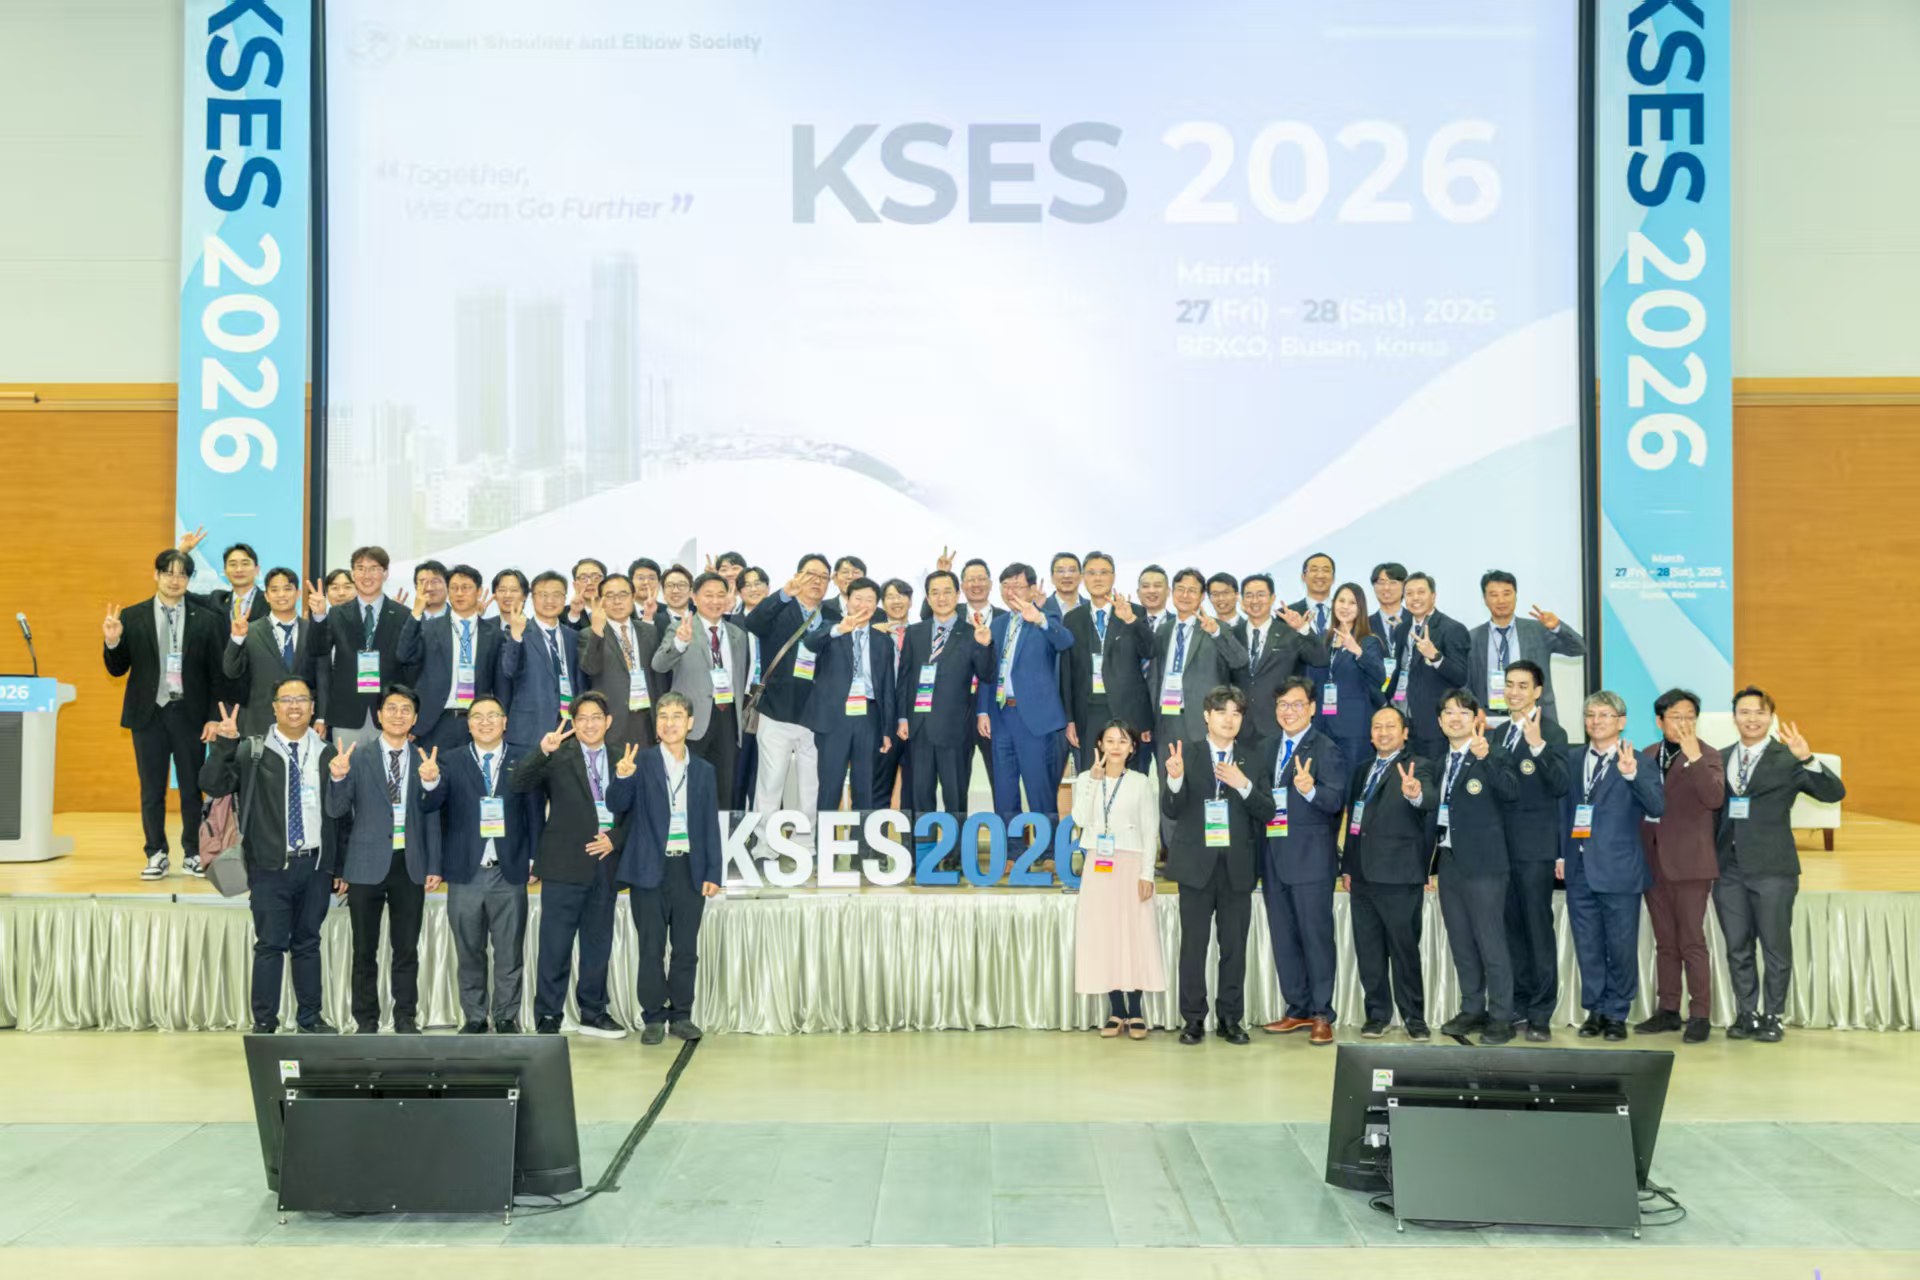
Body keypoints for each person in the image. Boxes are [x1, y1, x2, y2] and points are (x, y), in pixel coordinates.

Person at [200, 679, 339, 1034]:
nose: (294, 706)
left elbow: (340, 814)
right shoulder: (252, 750)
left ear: (313, 707)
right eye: (286, 699)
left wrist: (337, 866)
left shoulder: (327, 753)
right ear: (274, 707)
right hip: (268, 866)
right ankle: (264, 1021)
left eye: (302, 699)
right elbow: (213, 784)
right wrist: (224, 744)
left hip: (315, 865)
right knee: (270, 945)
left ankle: (310, 1018)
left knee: (308, 943)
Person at [1714, 688, 1844, 1043]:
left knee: (1775, 946)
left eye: (1759, 712)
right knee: (1737, 946)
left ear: (1771, 717)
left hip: (1773, 868)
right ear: (1734, 717)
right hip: (1729, 869)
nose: (1752, 718)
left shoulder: (1788, 758)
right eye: (1744, 712)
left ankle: (1773, 1015)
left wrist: (1808, 759)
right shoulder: (1720, 758)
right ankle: (1747, 1013)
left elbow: (1833, 794)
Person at [511, 691, 630, 1038]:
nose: (589, 724)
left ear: (608, 721)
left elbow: (640, 809)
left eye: (596, 718)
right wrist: (541, 751)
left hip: (606, 864)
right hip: (563, 864)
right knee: (555, 944)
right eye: (582, 719)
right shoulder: (557, 755)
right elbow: (518, 783)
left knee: (597, 944)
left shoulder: (624, 757)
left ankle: (594, 1011)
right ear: (573, 724)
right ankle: (549, 1014)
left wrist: (616, 838)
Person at [323, 685, 441, 1033]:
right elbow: (337, 810)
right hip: (364, 865)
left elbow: (432, 815)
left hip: (410, 864)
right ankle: (366, 1020)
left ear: (415, 718)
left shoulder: (425, 760)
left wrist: (434, 864)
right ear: (378, 715)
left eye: (406, 709)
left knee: (406, 950)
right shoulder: (358, 757)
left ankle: (405, 1017)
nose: (398, 715)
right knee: (364, 951)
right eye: (391, 708)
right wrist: (337, 777)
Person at [103, 548, 225, 879]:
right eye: (168, 573)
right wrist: (113, 642)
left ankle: (193, 852)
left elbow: (216, 675)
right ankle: (156, 852)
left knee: (191, 789)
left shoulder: (207, 619)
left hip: (190, 715)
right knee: (151, 789)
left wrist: (213, 716)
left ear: (188, 580)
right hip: (148, 715)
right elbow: (118, 669)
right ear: (156, 575)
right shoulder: (132, 616)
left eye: (182, 574)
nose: (175, 580)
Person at [610, 692, 723, 1043]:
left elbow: (710, 825)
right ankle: (654, 1017)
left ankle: (682, 1015)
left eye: (677, 716)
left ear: (690, 723)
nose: (669, 723)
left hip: (690, 869)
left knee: (686, 949)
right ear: (656, 723)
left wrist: (713, 872)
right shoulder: (639, 762)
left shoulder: (704, 771)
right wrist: (623, 778)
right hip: (648, 870)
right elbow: (616, 805)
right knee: (651, 949)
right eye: (663, 716)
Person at [1161, 686, 1272, 1045]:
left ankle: (1230, 1019)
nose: (1229, 719)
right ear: (1206, 716)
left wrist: (1243, 785)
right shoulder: (1186, 754)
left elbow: (1268, 811)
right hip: (1195, 867)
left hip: (1237, 867)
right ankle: (1193, 1019)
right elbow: (1171, 810)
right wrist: (1175, 779)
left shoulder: (1253, 758)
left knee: (1234, 948)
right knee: (1193, 948)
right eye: (1222, 712)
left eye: (1236, 713)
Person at [420, 695, 528, 1034]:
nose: (485, 722)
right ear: (468, 724)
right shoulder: (450, 760)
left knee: (509, 952)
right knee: (469, 951)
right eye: (477, 716)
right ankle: (476, 1017)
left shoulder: (523, 758)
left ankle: (506, 1016)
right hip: (466, 872)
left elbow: (533, 811)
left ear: (505, 722)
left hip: (509, 870)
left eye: (492, 715)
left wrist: (533, 858)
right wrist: (430, 781)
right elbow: (432, 805)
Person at [1561, 691, 1664, 1040]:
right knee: (1588, 944)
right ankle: (1594, 1009)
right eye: (1590, 714)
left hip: (1619, 869)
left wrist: (1632, 776)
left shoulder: (1638, 761)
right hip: (1578, 868)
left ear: (1621, 722)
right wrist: (1560, 855)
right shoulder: (1573, 759)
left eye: (1604, 715)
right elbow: (1564, 811)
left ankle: (1617, 1012)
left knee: (1620, 946)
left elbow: (1657, 807)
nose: (1596, 721)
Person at [1254, 677, 1350, 1045]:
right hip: (1273, 856)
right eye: (1282, 705)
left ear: (1312, 708)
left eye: (1296, 704)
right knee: (1284, 937)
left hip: (1311, 859)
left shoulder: (1326, 749)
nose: (1288, 711)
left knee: (1316, 937)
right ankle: (1298, 1008)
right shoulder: (1266, 747)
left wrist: (1310, 790)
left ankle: (1322, 1013)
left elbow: (1335, 801)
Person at [1427, 691, 1520, 1046]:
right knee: (1462, 942)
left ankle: (1501, 1015)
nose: (1455, 718)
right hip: (1449, 863)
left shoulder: (1494, 753)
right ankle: (1472, 1008)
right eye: (1448, 713)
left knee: (1491, 942)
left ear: (1477, 719)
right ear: (1439, 722)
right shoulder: (1441, 762)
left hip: (1485, 866)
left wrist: (1488, 759)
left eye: (1463, 712)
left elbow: (1511, 792)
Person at [1341, 706, 1437, 1040]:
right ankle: (1377, 1014)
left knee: (1404, 951)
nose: (1383, 732)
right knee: (1369, 951)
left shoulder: (1419, 766)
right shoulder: (1361, 770)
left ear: (1405, 733)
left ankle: (1414, 1018)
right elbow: (1354, 823)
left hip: (1399, 875)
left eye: (1390, 726)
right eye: (1377, 727)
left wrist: (1415, 793)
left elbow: (1429, 799)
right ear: (1370, 734)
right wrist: (1348, 867)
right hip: (1362, 877)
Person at [1636, 689, 1724, 1043]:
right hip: (1652, 861)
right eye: (1676, 717)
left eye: (1690, 717)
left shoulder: (1708, 754)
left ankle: (1700, 1014)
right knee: (1665, 942)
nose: (1684, 723)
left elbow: (1714, 798)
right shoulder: (1647, 754)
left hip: (1690, 864)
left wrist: (1694, 757)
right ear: (1660, 721)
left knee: (1691, 941)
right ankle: (1668, 1009)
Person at [1492, 662, 1570, 1041]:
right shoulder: (1498, 733)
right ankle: (1519, 1005)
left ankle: (1541, 1013)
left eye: (1523, 686)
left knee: (1538, 931)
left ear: (1538, 691)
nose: (1514, 692)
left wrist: (1538, 745)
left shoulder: (1553, 732)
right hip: (1500, 850)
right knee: (1512, 931)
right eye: (1509, 684)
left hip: (1535, 850)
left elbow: (1560, 785)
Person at [1071, 721, 1164, 1039]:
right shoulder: (1086, 778)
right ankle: (1116, 1011)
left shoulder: (1140, 782)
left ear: (1132, 748)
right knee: (1105, 935)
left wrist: (1147, 873)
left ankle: (1136, 1011)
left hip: (1131, 863)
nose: (1115, 747)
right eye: (1109, 740)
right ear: (1099, 745)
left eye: (1122, 741)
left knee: (1134, 935)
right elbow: (1079, 819)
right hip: (1098, 864)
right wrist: (1093, 783)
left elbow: (1150, 830)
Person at [746, 554, 836, 838]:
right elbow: (753, 622)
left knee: (811, 786)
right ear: (798, 576)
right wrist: (784, 594)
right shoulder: (778, 609)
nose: (817, 581)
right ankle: (764, 845)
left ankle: (806, 843)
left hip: (816, 716)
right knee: (770, 784)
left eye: (823, 577)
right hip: (776, 711)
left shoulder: (834, 617)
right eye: (811, 575)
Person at [977, 565, 1073, 832]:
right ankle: (1013, 848)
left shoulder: (1046, 618)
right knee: (1004, 792)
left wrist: (1039, 619)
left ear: (1032, 589)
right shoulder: (997, 624)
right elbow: (987, 670)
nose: (1011, 592)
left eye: (1018, 586)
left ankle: (1049, 849)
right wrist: (983, 711)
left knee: (1039, 791)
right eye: (1006, 586)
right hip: (1001, 717)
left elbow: (1065, 642)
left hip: (1034, 719)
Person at [895, 570, 991, 826]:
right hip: (919, 728)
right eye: (935, 593)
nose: (941, 598)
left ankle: (955, 848)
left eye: (947, 591)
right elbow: (904, 678)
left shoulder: (973, 632)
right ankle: (924, 848)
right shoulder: (915, 632)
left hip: (955, 729)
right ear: (927, 598)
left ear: (958, 595)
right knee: (920, 798)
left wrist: (984, 646)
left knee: (955, 798)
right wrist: (902, 718)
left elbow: (986, 674)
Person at [1149, 568, 1249, 801]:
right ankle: (1170, 827)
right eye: (1180, 589)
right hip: (1167, 721)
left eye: (1192, 590)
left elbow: (1240, 661)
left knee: (1203, 789)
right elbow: (1155, 678)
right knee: (1170, 788)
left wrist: (1216, 633)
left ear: (1202, 596)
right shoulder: (1163, 630)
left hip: (1203, 723)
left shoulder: (1216, 628)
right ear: (1172, 593)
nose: (1185, 595)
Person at [652, 572, 749, 809]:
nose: (715, 601)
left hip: (727, 718)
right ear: (694, 597)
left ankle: (719, 831)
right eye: (708, 595)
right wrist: (680, 643)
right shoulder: (680, 628)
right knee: (689, 787)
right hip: (692, 720)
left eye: (720, 595)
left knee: (724, 787)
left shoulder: (737, 634)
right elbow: (658, 664)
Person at [309, 546, 413, 750]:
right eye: (360, 568)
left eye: (374, 568)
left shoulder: (403, 615)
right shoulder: (337, 613)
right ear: (353, 574)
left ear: (385, 573)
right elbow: (318, 649)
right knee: (346, 767)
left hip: (390, 714)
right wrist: (319, 616)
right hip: (346, 714)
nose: (367, 575)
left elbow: (410, 668)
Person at [1062, 553, 1156, 773]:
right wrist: (1069, 720)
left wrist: (1130, 620)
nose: (1098, 578)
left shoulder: (1134, 611)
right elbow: (1067, 673)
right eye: (1092, 573)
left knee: (1130, 778)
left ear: (1113, 577)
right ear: (1083, 578)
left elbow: (1150, 651)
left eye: (1104, 572)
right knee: (1092, 775)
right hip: (1088, 711)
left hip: (1128, 711)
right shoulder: (1072, 618)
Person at [395, 562, 498, 754]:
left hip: (479, 722)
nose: (459, 593)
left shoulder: (493, 634)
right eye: (454, 588)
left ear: (478, 591)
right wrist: (416, 612)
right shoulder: (429, 628)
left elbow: (499, 684)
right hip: (435, 722)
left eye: (465, 588)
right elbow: (404, 655)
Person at [1468, 570, 1585, 728]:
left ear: (1516, 596)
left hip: (1536, 718)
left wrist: (1557, 627)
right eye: (1494, 595)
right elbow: (1463, 682)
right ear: (1485, 599)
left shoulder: (1538, 630)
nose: (1501, 600)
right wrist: (1474, 708)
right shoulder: (1472, 637)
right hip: (1490, 721)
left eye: (1507, 593)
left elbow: (1578, 648)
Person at [498, 570, 584, 768]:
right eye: (543, 594)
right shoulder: (517, 631)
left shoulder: (572, 637)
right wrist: (516, 637)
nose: (550, 600)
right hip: (529, 732)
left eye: (556, 595)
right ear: (532, 598)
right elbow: (509, 670)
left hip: (568, 732)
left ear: (565, 598)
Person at [222, 566, 319, 737]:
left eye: (287, 589)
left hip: (304, 723)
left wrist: (321, 718)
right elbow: (231, 671)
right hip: (259, 723)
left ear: (298, 593)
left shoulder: (312, 630)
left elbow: (323, 676)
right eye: (274, 590)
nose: (281, 595)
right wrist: (236, 638)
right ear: (266, 596)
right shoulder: (250, 630)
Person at [1235, 573, 1326, 745]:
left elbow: (1319, 659)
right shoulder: (1233, 634)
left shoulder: (1289, 632)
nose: (1255, 600)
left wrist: (1303, 628)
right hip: (1240, 726)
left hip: (1278, 724)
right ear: (1242, 600)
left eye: (1261, 594)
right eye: (1249, 595)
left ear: (1272, 598)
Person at [580, 572, 662, 752]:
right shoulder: (589, 634)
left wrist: (660, 718)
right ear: (601, 601)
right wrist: (597, 632)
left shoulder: (649, 631)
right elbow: (591, 668)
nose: (617, 601)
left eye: (623, 595)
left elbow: (657, 679)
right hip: (612, 723)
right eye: (609, 596)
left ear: (633, 597)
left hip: (647, 721)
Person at [1392, 572, 1470, 759]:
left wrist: (1435, 657)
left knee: (1433, 775)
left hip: (1434, 725)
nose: (1415, 598)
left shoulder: (1452, 629)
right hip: (1404, 723)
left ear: (1433, 596)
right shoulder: (1402, 629)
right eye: (1409, 593)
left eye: (1421, 592)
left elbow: (1460, 677)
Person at [1318, 583, 1387, 768]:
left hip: (1354, 727)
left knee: (1351, 777)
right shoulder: (1324, 639)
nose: (1345, 607)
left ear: (1360, 608)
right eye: (1341, 601)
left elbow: (1380, 676)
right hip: (1323, 723)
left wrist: (1357, 651)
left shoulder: (1368, 641)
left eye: (1352, 603)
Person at [874, 578, 916, 805]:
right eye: (890, 597)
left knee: (915, 786)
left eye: (901, 596)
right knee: (879, 786)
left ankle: (911, 829)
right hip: (882, 720)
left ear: (910, 601)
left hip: (916, 719)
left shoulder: (922, 633)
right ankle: (874, 828)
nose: (896, 601)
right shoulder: (873, 635)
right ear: (882, 603)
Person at [734, 566, 771, 804]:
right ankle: (736, 821)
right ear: (739, 592)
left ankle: (770, 823)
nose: (753, 588)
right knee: (739, 768)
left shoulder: (778, 620)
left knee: (769, 769)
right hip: (743, 701)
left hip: (771, 702)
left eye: (758, 583)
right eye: (747, 585)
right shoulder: (731, 623)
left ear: (768, 588)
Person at [1369, 562, 1411, 690]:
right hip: (1375, 695)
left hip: (1410, 694)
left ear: (1404, 586)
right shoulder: (1364, 624)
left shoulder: (1416, 621)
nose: (1386, 588)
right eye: (1381, 582)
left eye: (1393, 582)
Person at [1292, 552, 1338, 635]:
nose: (1320, 575)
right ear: (1303, 577)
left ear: (1333, 578)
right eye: (1314, 570)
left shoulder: (1347, 611)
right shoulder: (1288, 614)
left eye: (1326, 570)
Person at [561, 557, 608, 631]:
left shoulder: (619, 609)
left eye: (596, 577)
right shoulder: (561, 614)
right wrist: (574, 614)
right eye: (583, 578)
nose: (590, 583)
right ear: (575, 585)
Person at [1043, 552, 1087, 621]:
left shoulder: (1092, 607)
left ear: (1081, 577)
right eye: (1060, 571)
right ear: (1052, 578)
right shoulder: (1042, 607)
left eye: (1072, 570)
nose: (1066, 576)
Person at [1207, 573, 1244, 643]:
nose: (1221, 598)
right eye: (1215, 594)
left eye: (1226, 593)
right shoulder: (1203, 631)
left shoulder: (1249, 628)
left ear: (1237, 595)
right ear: (1209, 599)